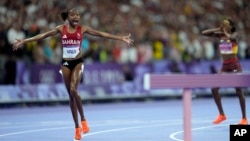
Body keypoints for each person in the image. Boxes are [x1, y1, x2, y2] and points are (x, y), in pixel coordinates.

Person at [13, 8, 134, 140]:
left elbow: (101, 34)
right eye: (73, 15)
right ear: (68, 18)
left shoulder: (82, 29)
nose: (76, 17)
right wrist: (25, 41)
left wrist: (121, 38)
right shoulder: (61, 29)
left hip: (78, 62)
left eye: (77, 15)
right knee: (70, 96)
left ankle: (84, 120)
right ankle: (77, 128)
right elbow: (43, 35)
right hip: (65, 63)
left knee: (73, 89)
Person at [202, 19, 248, 125]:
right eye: (223, 24)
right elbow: (204, 33)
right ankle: (222, 114)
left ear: (231, 26)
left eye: (226, 24)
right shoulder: (220, 35)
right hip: (225, 66)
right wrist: (218, 29)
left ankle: (244, 119)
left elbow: (232, 37)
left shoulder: (234, 34)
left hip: (235, 65)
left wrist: (225, 32)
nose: (224, 25)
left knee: (238, 91)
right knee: (214, 88)